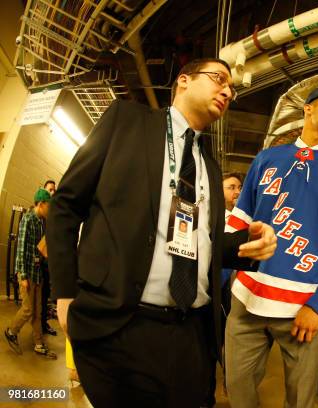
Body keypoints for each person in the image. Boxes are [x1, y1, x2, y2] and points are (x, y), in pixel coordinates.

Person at [46, 58, 277, 408]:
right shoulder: (126, 120)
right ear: (183, 81)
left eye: (231, 88)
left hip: (192, 333)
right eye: (219, 79)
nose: (228, 91)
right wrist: (64, 294)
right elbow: (65, 205)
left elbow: (197, 244)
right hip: (122, 324)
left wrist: (245, 244)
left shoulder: (210, 167)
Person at [224, 86, 318, 408]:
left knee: (301, 400)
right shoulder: (267, 159)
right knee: (237, 389)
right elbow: (238, 224)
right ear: (307, 108)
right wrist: (224, 280)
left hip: (301, 311)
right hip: (245, 299)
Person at [4, 188, 57, 359]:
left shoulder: (42, 222)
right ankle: (11, 331)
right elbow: (20, 250)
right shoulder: (27, 219)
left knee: (37, 312)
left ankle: (39, 343)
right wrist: (23, 277)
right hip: (27, 274)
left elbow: (39, 249)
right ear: (41, 204)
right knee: (27, 310)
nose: (50, 210)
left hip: (38, 274)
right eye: (49, 206)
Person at [40, 179, 57, 336]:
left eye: (54, 190)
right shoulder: (39, 212)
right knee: (37, 298)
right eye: (50, 190)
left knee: (45, 295)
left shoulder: (52, 213)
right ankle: (38, 327)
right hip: (38, 262)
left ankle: (43, 325)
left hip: (47, 261)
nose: (53, 192)